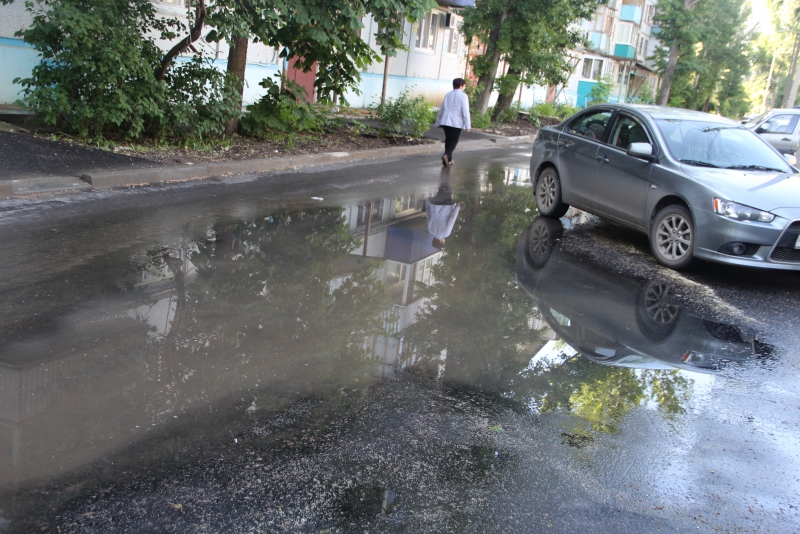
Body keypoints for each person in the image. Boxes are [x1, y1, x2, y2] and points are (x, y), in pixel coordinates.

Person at [434, 78, 471, 166]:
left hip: (445, 121)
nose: (464, 87)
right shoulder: (463, 96)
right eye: (464, 86)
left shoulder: (448, 94)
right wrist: (467, 126)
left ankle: (449, 159)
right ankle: (446, 155)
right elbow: (465, 111)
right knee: (454, 141)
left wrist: (438, 122)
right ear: (461, 86)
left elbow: (442, 108)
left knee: (448, 139)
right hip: (456, 122)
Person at [425, 179, 462, 248]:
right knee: (441, 189)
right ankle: (443, 176)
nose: (444, 241)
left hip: (446, 206)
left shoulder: (446, 234)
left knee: (447, 188)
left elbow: (452, 220)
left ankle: (445, 175)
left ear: (440, 242)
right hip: (434, 205)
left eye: (443, 242)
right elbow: (428, 216)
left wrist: (457, 207)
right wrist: (428, 202)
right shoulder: (431, 231)